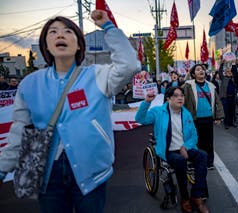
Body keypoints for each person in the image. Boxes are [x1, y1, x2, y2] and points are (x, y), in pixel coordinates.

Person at [0, 10, 140, 213]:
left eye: (68, 31)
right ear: (45, 44)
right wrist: (3, 168)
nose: (60, 35)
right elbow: (18, 132)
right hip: (47, 175)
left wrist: (108, 27)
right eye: (53, 32)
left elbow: (129, 65)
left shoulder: (98, 75)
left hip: (92, 173)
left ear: (78, 44)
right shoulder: (30, 83)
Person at [135, 87, 209, 213]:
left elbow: (194, 135)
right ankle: (185, 198)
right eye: (175, 95)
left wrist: (185, 146)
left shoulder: (186, 113)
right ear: (168, 98)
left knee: (202, 155)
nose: (180, 98)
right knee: (180, 161)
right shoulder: (158, 112)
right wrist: (146, 102)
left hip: (184, 148)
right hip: (168, 151)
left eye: (182, 95)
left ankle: (196, 195)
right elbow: (140, 119)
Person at [183, 64, 224, 170]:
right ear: (193, 74)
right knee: (194, 141)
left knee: (208, 142)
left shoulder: (211, 86)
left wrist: (218, 117)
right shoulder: (188, 86)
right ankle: (192, 162)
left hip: (208, 118)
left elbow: (217, 102)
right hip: (194, 118)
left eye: (202, 69)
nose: (201, 71)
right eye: (198, 70)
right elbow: (178, 94)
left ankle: (209, 162)